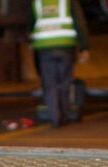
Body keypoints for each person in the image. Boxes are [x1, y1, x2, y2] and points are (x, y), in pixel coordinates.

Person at [33, 0, 85, 128]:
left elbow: (31, 22)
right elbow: (79, 22)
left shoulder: (38, 2)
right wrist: (84, 46)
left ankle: (55, 118)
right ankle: (65, 116)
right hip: (65, 46)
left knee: (50, 84)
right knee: (64, 82)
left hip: (45, 47)